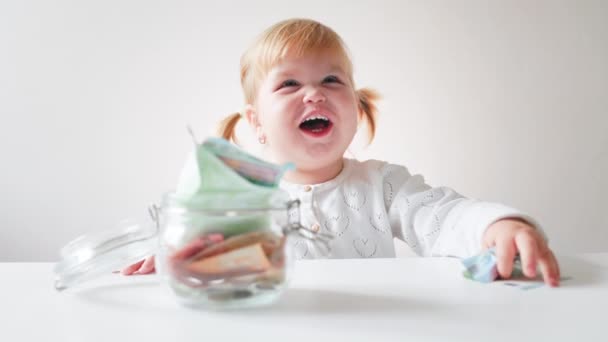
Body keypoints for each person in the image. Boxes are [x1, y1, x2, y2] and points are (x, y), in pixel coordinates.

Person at [122, 18, 560, 286]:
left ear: (356, 105)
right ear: (255, 121)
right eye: (290, 84)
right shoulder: (240, 197)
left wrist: (498, 226)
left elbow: (443, 218)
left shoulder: (384, 185)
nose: (314, 93)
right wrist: (170, 255)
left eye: (332, 81)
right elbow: (196, 244)